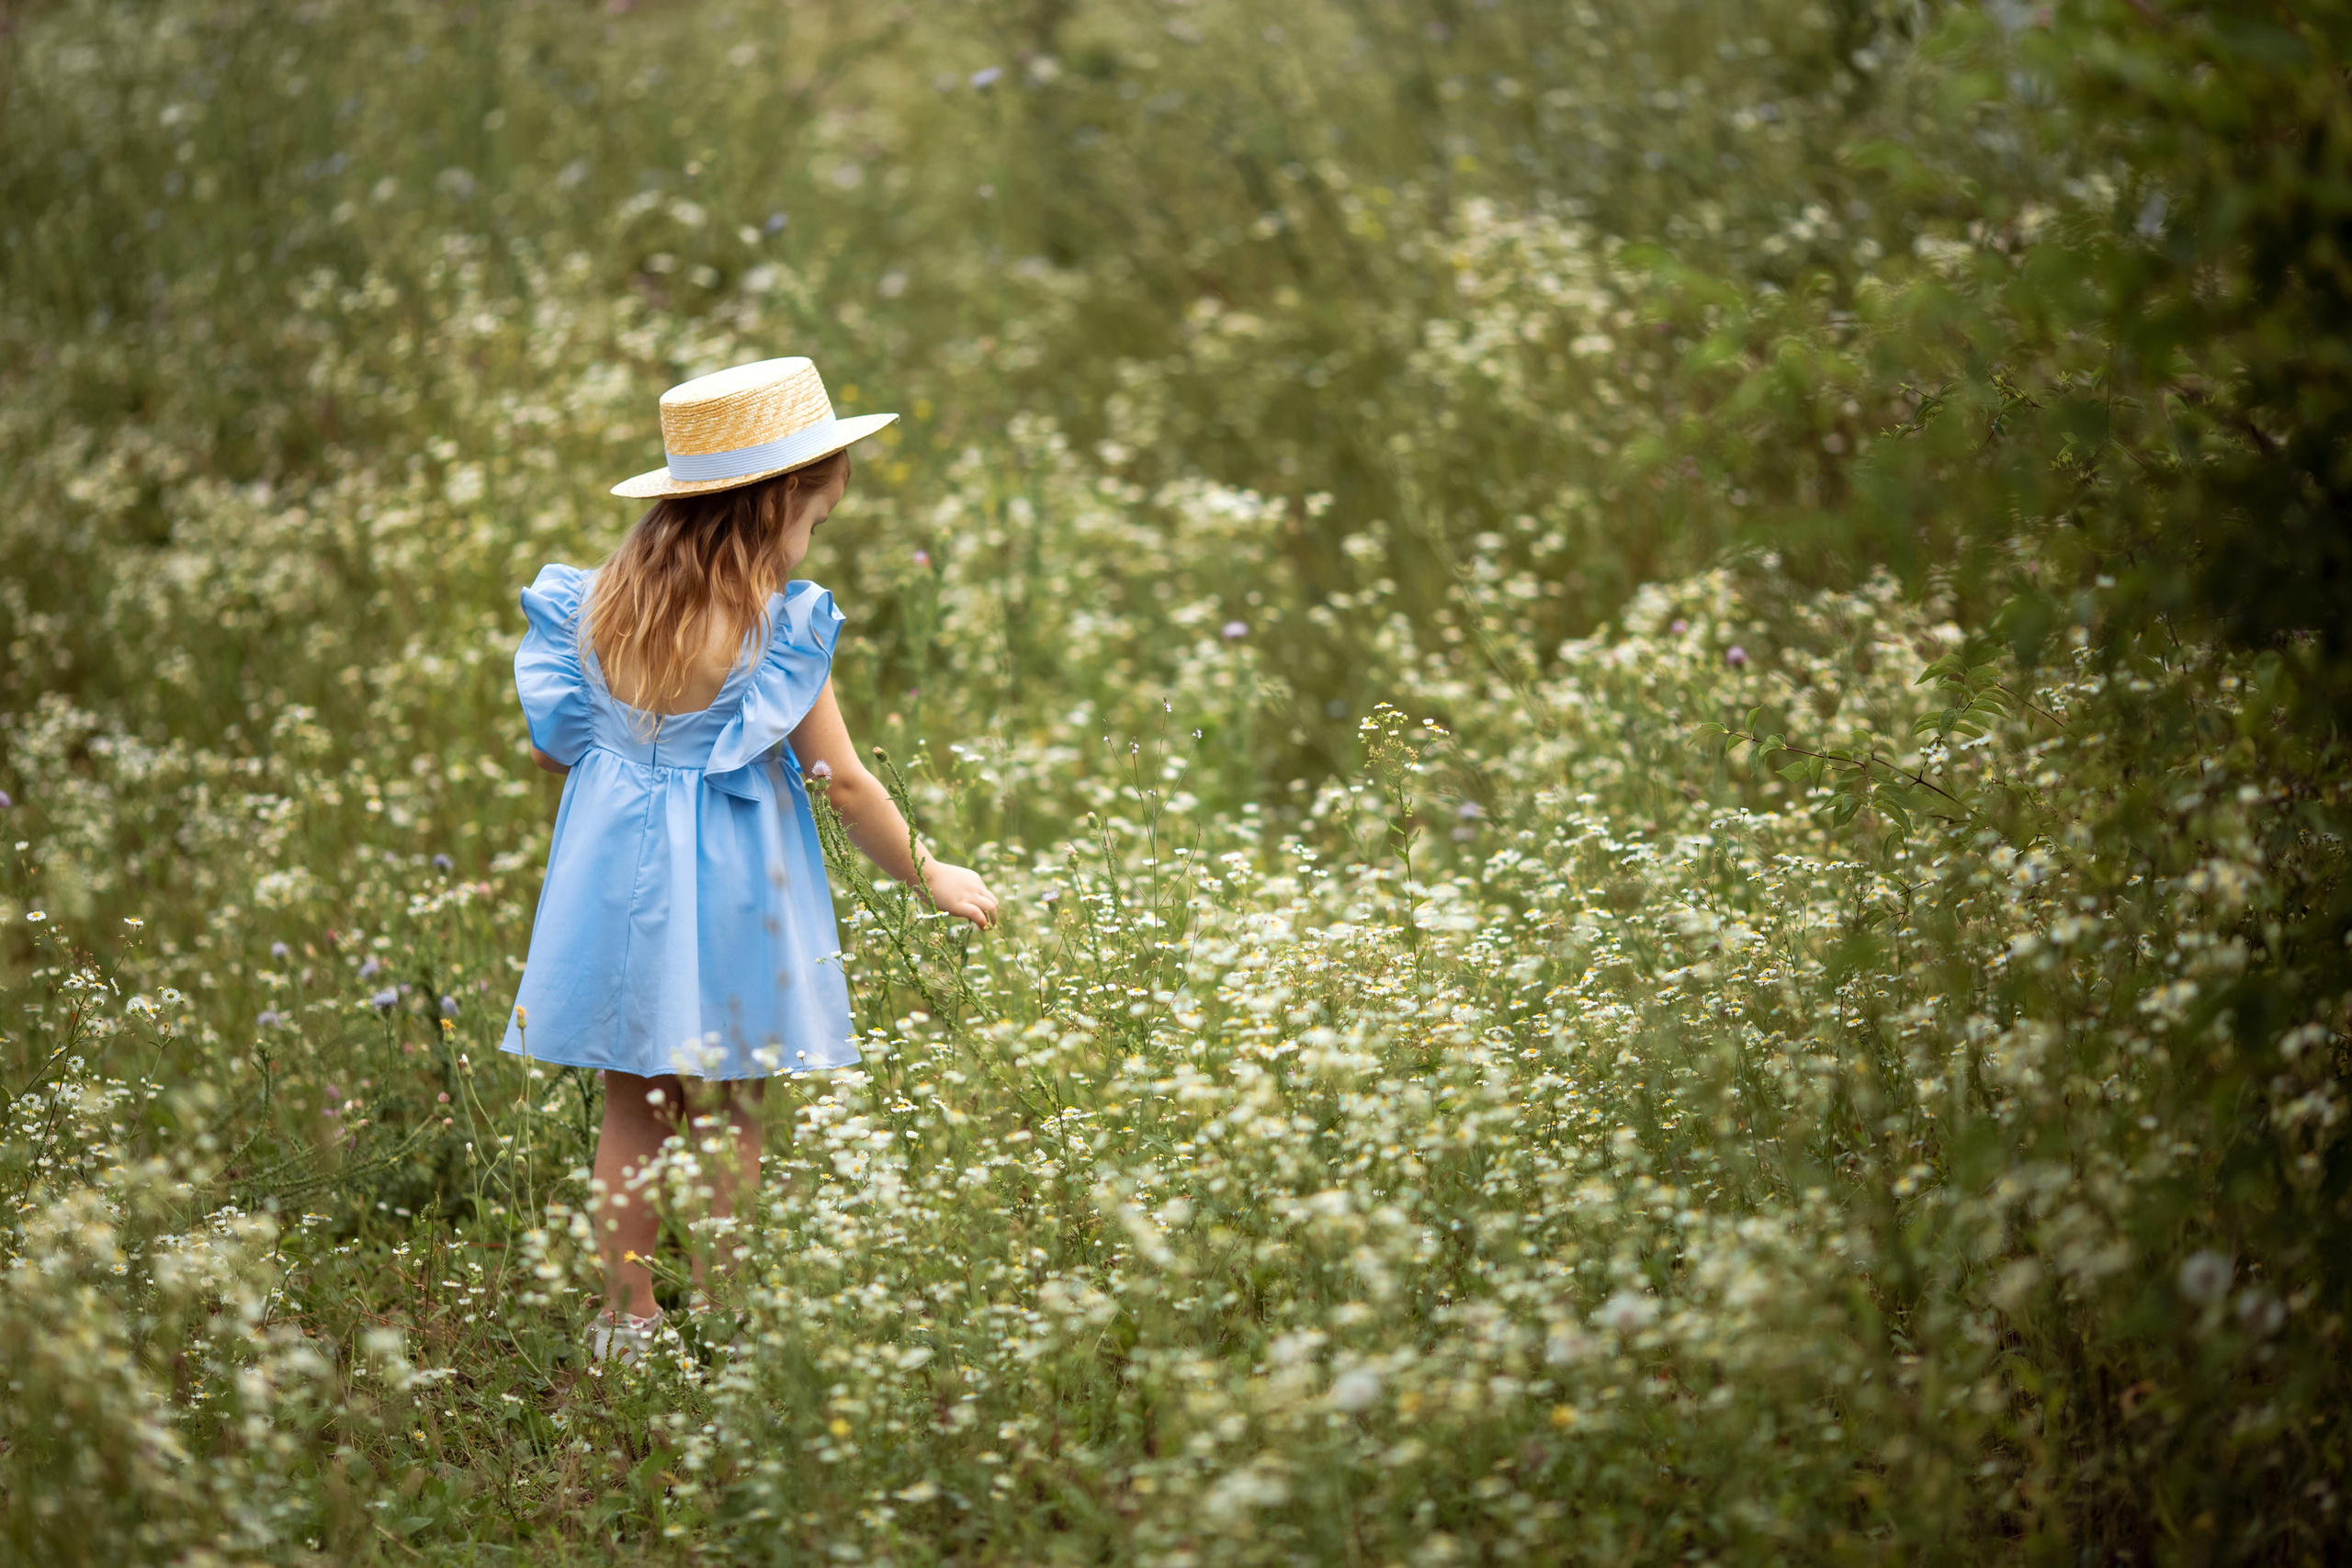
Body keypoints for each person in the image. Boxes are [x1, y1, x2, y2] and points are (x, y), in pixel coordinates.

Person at [498, 356, 997, 1361]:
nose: (812, 542)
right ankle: (729, 1316)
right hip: (733, 894)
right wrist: (928, 872)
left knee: (635, 1110)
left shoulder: (591, 610)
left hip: (615, 885)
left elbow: (557, 746)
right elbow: (843, 784)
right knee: (732, 1109)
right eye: (814, 522)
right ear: (776, 507)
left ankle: (626, 1324)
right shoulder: (774, 630)